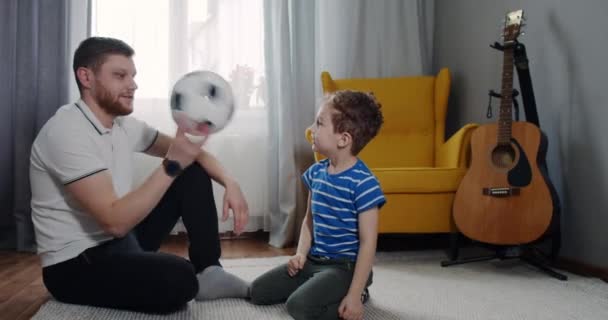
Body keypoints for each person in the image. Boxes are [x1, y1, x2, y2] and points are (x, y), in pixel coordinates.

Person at [29, 37, 250, 314]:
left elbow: (193, 154)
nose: (133, 85)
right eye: (120, 75)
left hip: (121, 244)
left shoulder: (123, 125)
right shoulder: (66, 132)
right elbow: (114, 223)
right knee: (178, 278)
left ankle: (210, 270)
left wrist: (231, 181)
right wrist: (171, 165)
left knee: (190, 172)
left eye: (133, 76)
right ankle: (183, 275)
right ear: (86, 77)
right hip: (75, 265)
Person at [250, 90, 386, 320]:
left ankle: (359, 293)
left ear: (343, 139)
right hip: (314, 261)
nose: (312, 128)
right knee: (258, 292)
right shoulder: (316, 173)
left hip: (344, 268)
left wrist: (352, 296)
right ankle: (317, 288)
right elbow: (308, 220)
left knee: (299, 307)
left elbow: (368, 243)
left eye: (319, 123)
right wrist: (301, 254)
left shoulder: (365, 184)